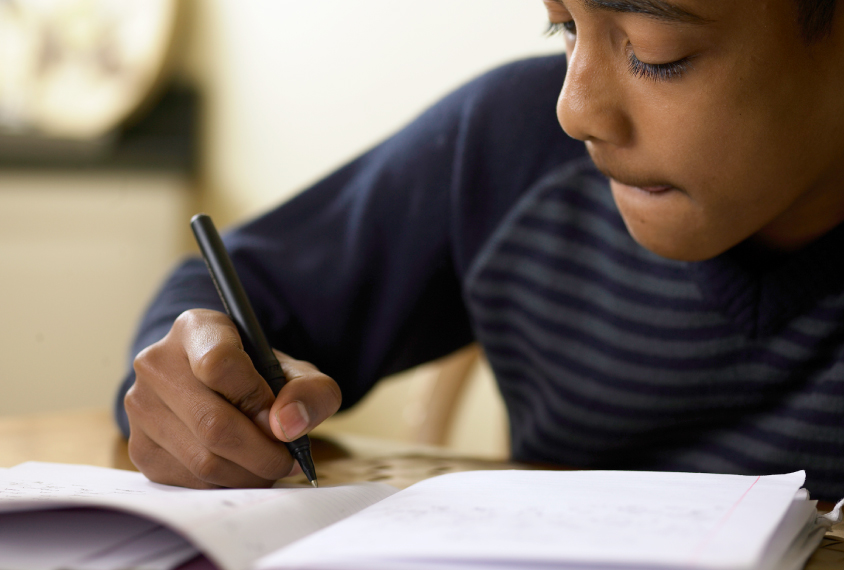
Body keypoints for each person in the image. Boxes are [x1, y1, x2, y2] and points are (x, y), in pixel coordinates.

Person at [116, 0, 844, 499]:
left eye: (657, 54)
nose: (575, 107)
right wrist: (197, 387)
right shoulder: (509, 152)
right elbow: (229, 292)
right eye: (561, 26)